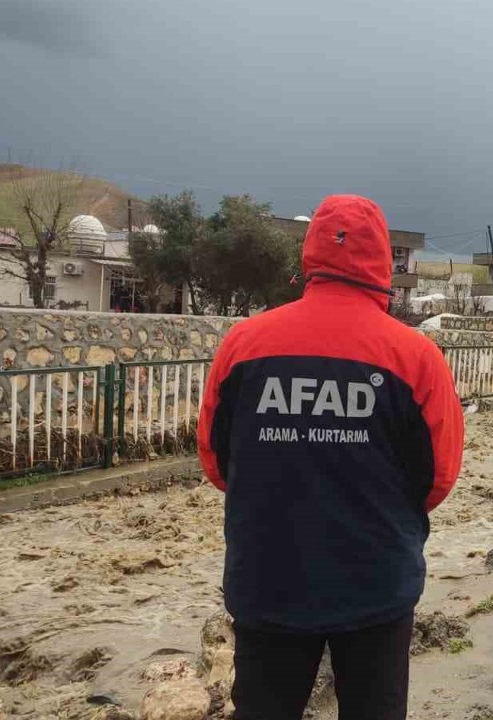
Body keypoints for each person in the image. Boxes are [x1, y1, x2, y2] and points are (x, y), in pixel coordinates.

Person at [198, 195, 464, 720]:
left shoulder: (244, 345)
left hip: (266, 583)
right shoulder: (414, 357)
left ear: (311, 254)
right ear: (383, 263)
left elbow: (216, 462)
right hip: (376, 588)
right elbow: (439, 476)